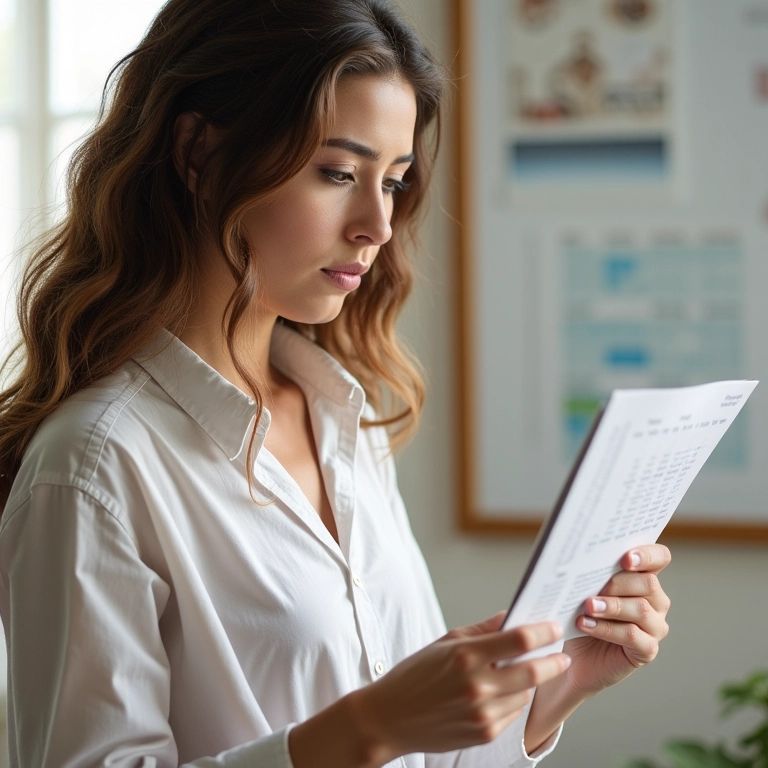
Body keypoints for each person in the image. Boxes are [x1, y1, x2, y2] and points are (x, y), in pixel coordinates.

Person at [0, 1, 672, 766]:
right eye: (339, 173)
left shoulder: (345, 422)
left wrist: (557, 688)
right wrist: (366, 730)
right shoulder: (92, 466)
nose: (377, 225)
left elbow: (419, 752)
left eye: (392, 181)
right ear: (195, 151)